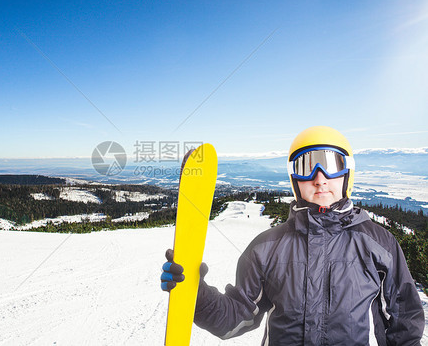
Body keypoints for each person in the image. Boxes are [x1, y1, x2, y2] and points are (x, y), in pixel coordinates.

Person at [161, 126, 425, 345]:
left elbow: (404, 322)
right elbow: (237, 318)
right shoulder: (265, 248)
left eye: (331, 164)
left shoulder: (379, 244)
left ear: (347, 173)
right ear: (294, 179)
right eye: (307, 165)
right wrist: (196, 296)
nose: (319, 178)